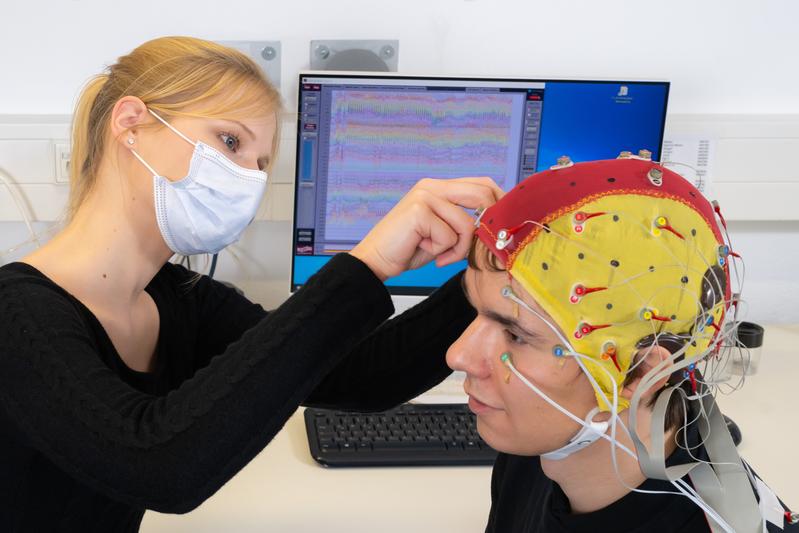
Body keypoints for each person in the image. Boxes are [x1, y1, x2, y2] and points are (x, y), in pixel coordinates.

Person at [0, 36, 498, 531]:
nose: (248, 181)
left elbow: (362, 375)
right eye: (231, 142)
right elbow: (159, 468)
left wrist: (488, 272)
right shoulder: (18, 316)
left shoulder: (178, 299)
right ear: (132, 123)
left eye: (260, 165)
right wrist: (364, 263)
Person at [446, 157, 798, 532]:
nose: (457, 355)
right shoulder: (535, 450)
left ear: (644, 370)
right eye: (475, 311)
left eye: (516, 335)